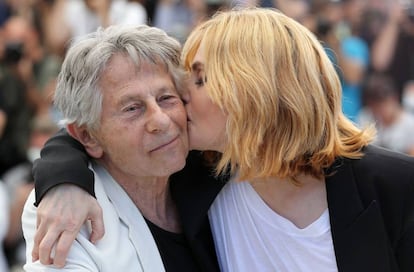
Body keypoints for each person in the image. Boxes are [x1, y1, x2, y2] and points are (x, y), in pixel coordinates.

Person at [31, 7, 414, 272]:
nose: (177, 104)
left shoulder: (393, 186)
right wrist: (62, 179)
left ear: (254, 91)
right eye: (186, 82)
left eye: (197, 81)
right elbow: (87, 136)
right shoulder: (202, 174)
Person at [21, 24, 220, 271]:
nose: (160, 120)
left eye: (166, 98)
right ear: (88, 137)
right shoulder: (69, 214)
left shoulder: (215, 167)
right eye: (132, 109)